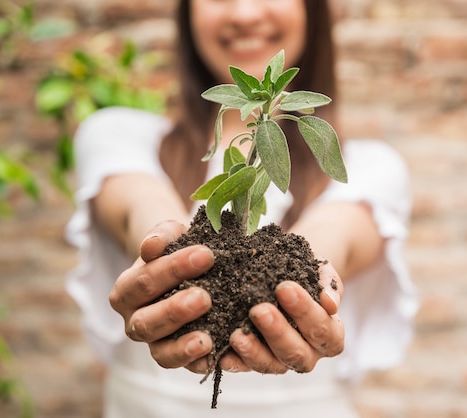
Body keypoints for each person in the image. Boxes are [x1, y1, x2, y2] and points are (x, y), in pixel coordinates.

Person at [65, 0, 419, 417]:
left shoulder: (370, 166)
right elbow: (138, 207)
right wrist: (167, 253)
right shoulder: (119, 134)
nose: (246, 12)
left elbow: (332, 236)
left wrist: (306, 279)